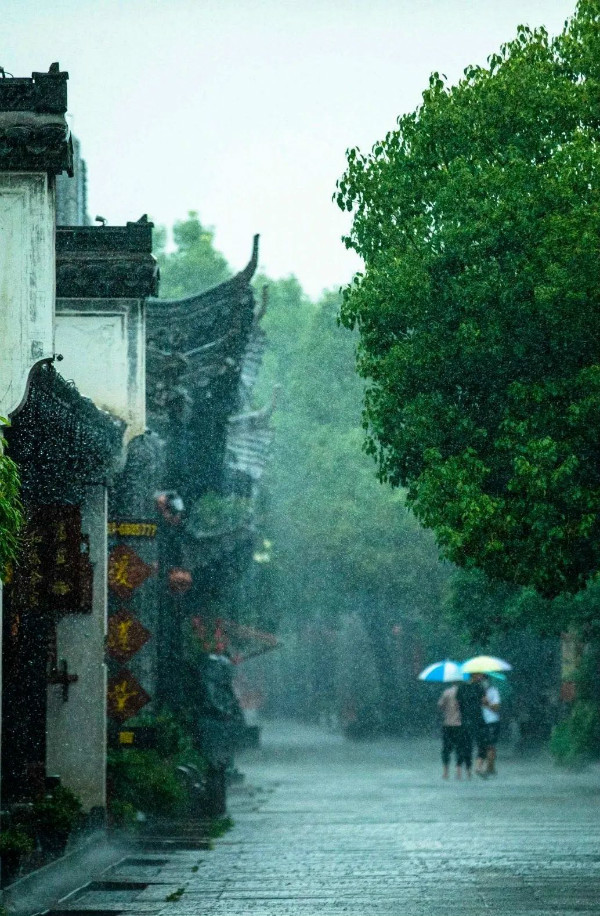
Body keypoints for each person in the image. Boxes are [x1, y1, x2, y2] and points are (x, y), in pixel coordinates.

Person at [456, 672, 487, 777]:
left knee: (466, 745)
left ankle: (467, 770)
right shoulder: (479, 687)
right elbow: (484, 702)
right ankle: (478, 767)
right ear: (474, 675)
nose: (482, 677)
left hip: (465, 720)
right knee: (482, 744)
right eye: (480, 675)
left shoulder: (461, 687)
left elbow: (458, 704)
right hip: (478, 719)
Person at [437, 683, 468, 779]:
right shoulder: (464, 693)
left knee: (446, 749)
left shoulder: (447, 692)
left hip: (448, 724)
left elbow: (440, 705)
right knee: (460, 748)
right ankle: (458, 771)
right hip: (459, 725)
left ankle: (446, 772)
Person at [482, 678, 501, 775]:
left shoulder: (494, 691)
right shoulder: (477, 692)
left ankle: (487, 768)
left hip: (492, 721)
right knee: (485, 746)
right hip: (481, 722)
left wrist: (487, 703)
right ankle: (491, 767)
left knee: (490, 745)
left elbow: (497, 707)